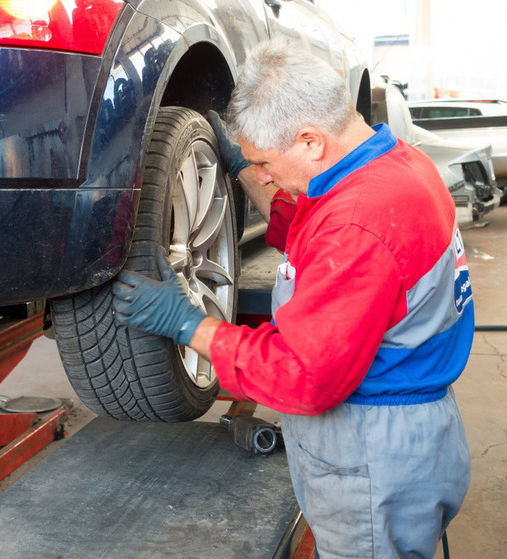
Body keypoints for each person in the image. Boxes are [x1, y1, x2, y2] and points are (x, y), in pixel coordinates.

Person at [112, 40, 472, 558]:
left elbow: (303, 375)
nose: (261, 175)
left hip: (375, 453)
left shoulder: (359, 223)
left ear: (309, 141)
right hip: (411, 432)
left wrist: (190, 325)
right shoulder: (395, 165)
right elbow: (310, 227)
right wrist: (239, 165)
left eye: (263, 161)